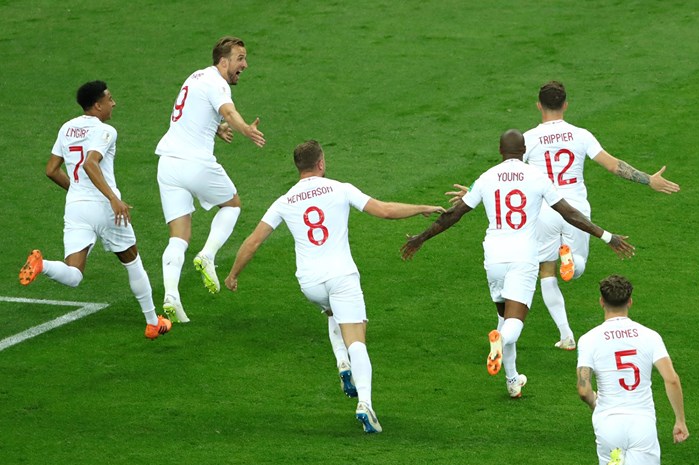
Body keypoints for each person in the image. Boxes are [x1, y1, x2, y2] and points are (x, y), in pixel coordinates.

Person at [224, 140, 445, 434]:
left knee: (332, 312)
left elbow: (253, 241)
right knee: (357, 338)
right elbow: (385, 210)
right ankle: (365, 403)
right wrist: (421, 208)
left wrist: (233, 274)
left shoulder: (284, 201)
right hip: (341, 276)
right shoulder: (340, 188)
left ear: (298, 167)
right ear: (321, 163)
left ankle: (342, 363)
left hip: (310, 283)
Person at [402, 129, 635, 398]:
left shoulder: (486, 178)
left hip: (494, 257)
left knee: (503, 317)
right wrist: (607, 236)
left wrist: (421, 238)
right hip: (523, 258)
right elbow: (570, 213)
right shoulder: (537, 177)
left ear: (500, 151)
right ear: (524, 151)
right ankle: (500, 341)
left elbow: (454, 215)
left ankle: (513, 381)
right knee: (513, 323)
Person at [524, 80, 680, 350]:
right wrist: (648, 180)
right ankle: (571, 260)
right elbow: (613, 165)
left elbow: (509, 172)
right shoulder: (581, 135)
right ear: (565, 105)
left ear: (539, 105)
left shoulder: (528, 138)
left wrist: (473, 191)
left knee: (546, 271)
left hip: (543, 211)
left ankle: (566, 336)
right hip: (576, 210)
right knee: (577, 266)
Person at [18, 80, 171, 340]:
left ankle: (42, 264)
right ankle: (152, 322)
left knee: (74, 274)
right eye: (110, 99)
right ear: (98, 105)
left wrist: (77, 192)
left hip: (76, 208)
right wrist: (113, 198)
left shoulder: (66, 128)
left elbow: (51, 170)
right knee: (132, 261)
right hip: (105, 207)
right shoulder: (106, 131)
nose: (114, 103)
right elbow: (91, 163)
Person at [576, 274, 688, 465]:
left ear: (601, 301)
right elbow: (671, 379)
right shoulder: (649, 336)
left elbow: (584, 389)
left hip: (608, 423)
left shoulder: (588, 339)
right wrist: (679, 420)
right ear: (630, 301)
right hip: (641, 423)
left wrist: (598, 406)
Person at [155, 35, 266, 323]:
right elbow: (229, 111)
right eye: (240, 58)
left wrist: (216, 128)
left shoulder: (195, 77)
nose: (245, 64)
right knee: (232, 205)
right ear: (224, 60)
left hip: (167, 164)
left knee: (178, 237)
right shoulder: (217, 83)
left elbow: (190, 113)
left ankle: (171, 297)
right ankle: (208, 255)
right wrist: (245, 130)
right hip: (195, 162)